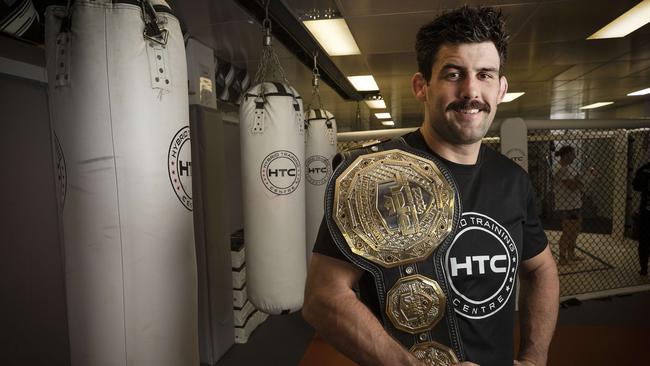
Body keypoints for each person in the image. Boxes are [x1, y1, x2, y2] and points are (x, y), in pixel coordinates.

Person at [302, 6, 559, 366]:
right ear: (421, 86)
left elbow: (541, 268)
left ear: (501, 88)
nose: (471, 90)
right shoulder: (374, 177)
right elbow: (322, 298)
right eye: (454, 74)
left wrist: (535, 356)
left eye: (485, 75)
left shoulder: (512, 180)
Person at [632, 161, 650, 276]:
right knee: (644, 241)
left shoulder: (644, 168)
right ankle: (643, 268)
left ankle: (644, 269)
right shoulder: (644, 168)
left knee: (644, 241)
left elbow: (636, 186)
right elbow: (636, 186)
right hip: (646, 210)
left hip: (646, 210)